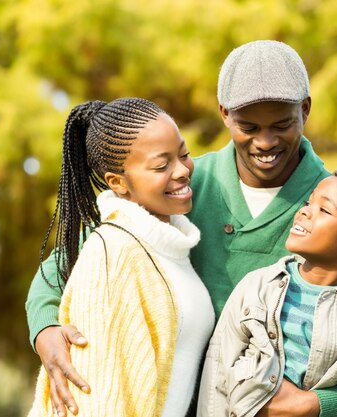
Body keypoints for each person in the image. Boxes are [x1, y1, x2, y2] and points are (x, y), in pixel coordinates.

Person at [26, 40, 337, 417]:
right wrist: (46, 332)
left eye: (281, 124)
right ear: (224, 114)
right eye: (248, 126)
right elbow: (64, 266)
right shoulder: (182, 188)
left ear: (306, 110)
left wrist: (317, 406)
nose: (265, 142)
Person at [26, 97, 215, 417]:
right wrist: (45, 330)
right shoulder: (115, 252)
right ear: (118, 182)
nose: (183, 170)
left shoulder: (170, 245)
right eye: (161, 165)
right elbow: (102, 399)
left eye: (183, 154)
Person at [197, 169, 337, 417]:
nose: (304, 211)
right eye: (309, 202)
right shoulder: (255, 287)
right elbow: (218, 374)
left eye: (324, 210)